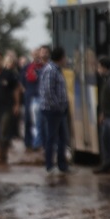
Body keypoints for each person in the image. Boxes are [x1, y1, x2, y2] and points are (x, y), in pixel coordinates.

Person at [39, 46, 70, 176]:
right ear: (61, 58)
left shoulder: (57, 70)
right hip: (52, 110)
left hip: (59, 110)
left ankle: (62, 165)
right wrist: (58, 106)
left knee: (63, 138)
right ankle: (49, 165)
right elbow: (48, 92)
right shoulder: (51, 70)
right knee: (52, 137)